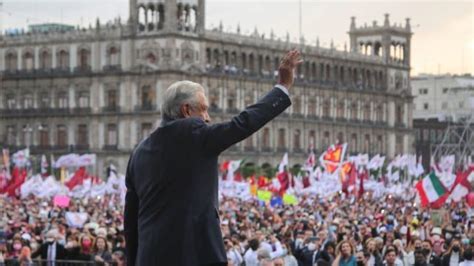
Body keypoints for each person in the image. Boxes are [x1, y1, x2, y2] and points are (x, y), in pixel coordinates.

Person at [124, 50, 302, 266]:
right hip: (194, 255)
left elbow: (131, 221)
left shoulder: (138, 152)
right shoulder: (193, 133)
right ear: (187, 110)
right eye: (204, 110)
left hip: (150, 257)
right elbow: (242, 124)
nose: (208, 118)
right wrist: (282, 87)